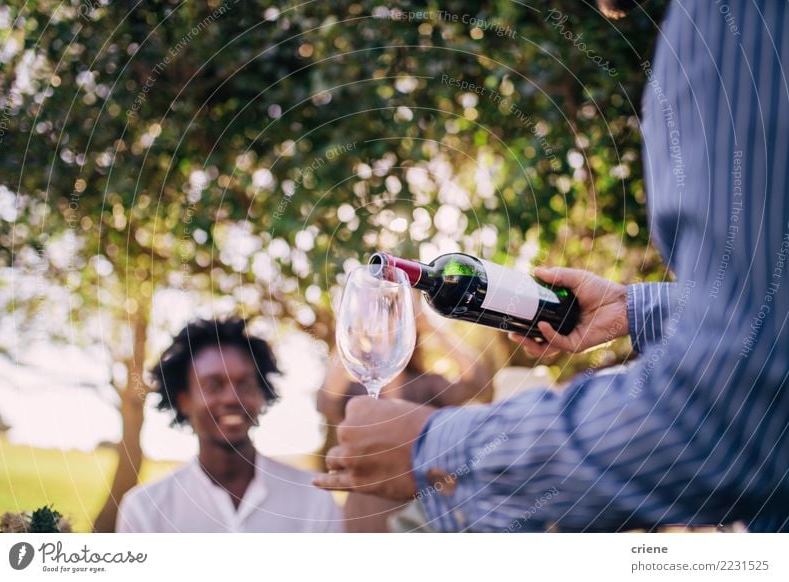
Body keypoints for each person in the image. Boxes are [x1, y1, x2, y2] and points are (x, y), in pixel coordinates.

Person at [314, 0, 789, 532]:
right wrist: (635, 308)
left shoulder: (731, 22)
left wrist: (430, 448)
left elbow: (732, 402)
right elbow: (771, 318)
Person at [116, 319, 342, 532]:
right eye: (213, 386)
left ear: (261, 395)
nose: (232, 398)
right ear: (184, 400)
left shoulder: (314, 500)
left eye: (245, 385)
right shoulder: (144, 511)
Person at [317, 298, 492, 531]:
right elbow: (326, 400)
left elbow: (477, 381)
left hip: (420, 513)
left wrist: (429, 326)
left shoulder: (426, 386)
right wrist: (355, 328)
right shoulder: (357, 391)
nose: (384, 330)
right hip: (365, 512)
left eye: (393, 323)